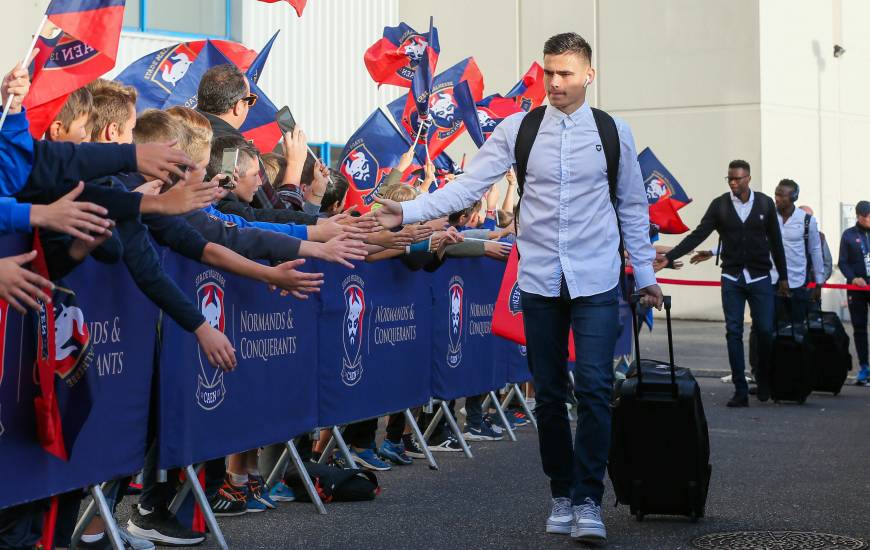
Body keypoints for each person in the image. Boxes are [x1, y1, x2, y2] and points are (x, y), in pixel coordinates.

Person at [372, 32, 662, 544]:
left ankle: (589, 499)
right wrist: (411, 209)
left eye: (566, 73)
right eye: (549, 72)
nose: (555, 83)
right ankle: (562, 492)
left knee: (594, 389)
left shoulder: (615, 132)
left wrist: (646, 276)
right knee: (549, 395)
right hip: (539, 280)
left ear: (589, 75)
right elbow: (470, 186)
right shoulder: (518, 129)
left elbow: (633, 207)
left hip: (595, 279)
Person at [663, 160, 787, 408]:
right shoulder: (720, 205)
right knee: (733, 332)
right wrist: (670, 256)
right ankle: (740, 388)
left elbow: (775, 241)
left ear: (748, 178)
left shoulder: (764, 204)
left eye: (738, 179)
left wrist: (783, 277)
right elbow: (699, 234)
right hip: (732, 277)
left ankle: (764, 379)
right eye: (730, 178)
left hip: (761, 277)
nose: (733, 183)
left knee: (764, 330)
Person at [838, 200, 870, 385]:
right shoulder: (849, 235)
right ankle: (864, 367)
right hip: (857, 287)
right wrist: (852, 278)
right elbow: (843, 262)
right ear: (858, 216)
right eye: (866, 216)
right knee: (859, 327)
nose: (869, 219)